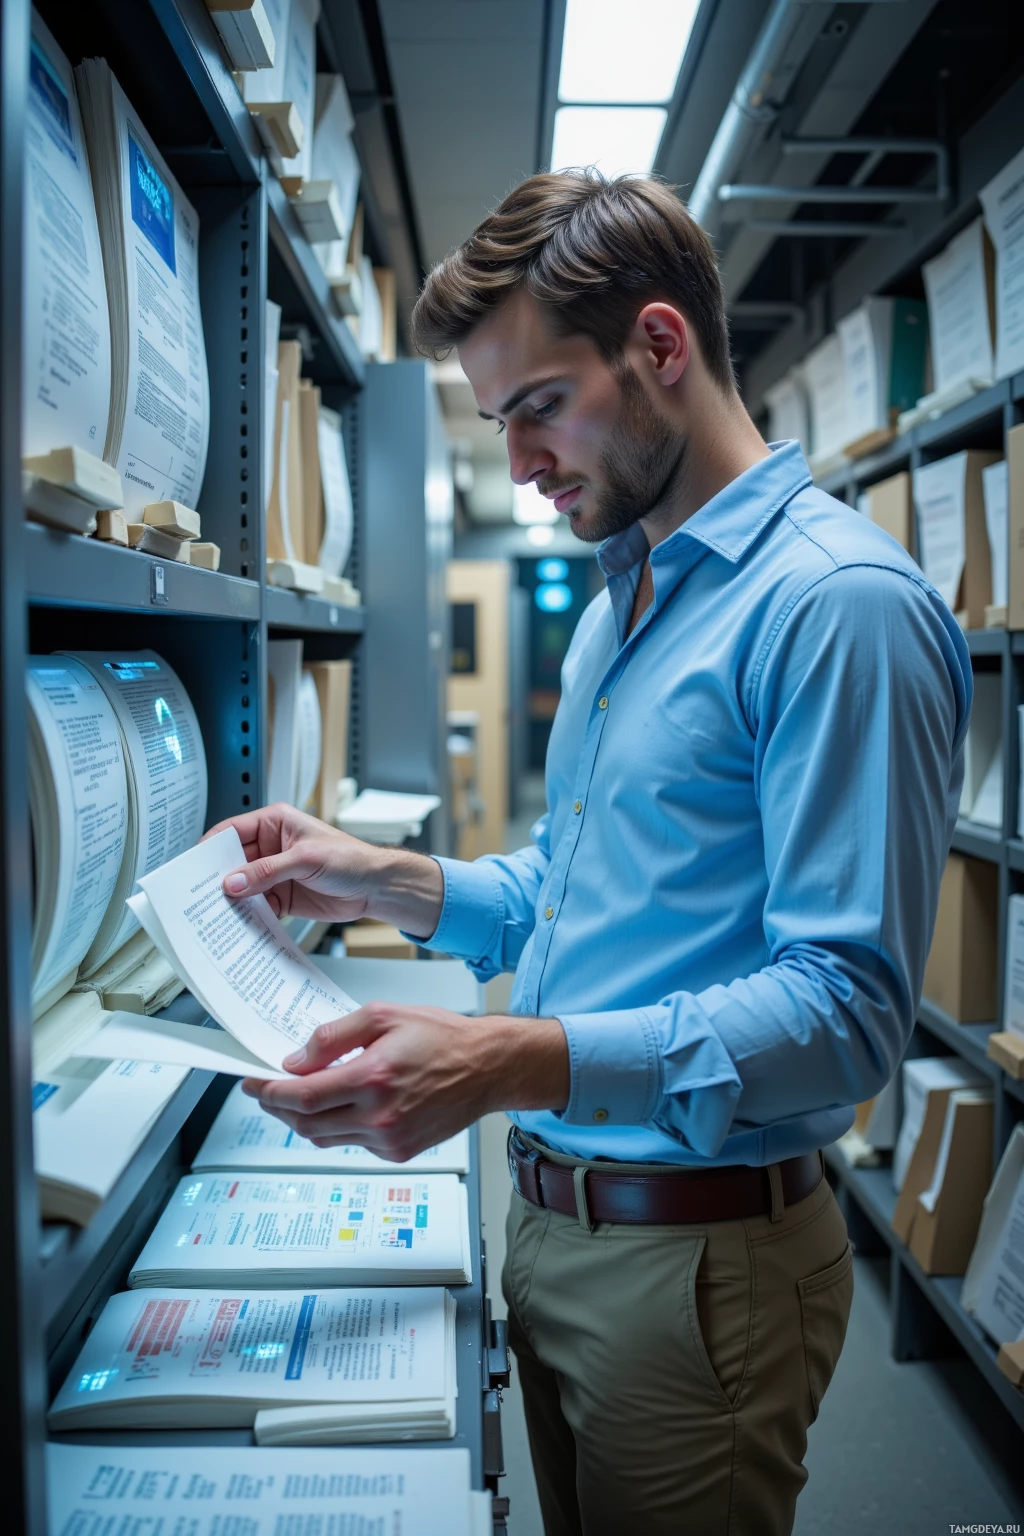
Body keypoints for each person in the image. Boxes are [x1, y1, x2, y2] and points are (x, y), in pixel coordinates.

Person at [212, 172, 970, 1535]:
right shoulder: (630, 595)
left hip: (699, 1264)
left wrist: (509, 1060)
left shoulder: (838, 606)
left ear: (662, 349)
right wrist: (388, 881)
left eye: (537, 407)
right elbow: (580, 887)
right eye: (500, 423)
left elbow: (848, 1016)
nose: (520, 462)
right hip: (558, 1225)